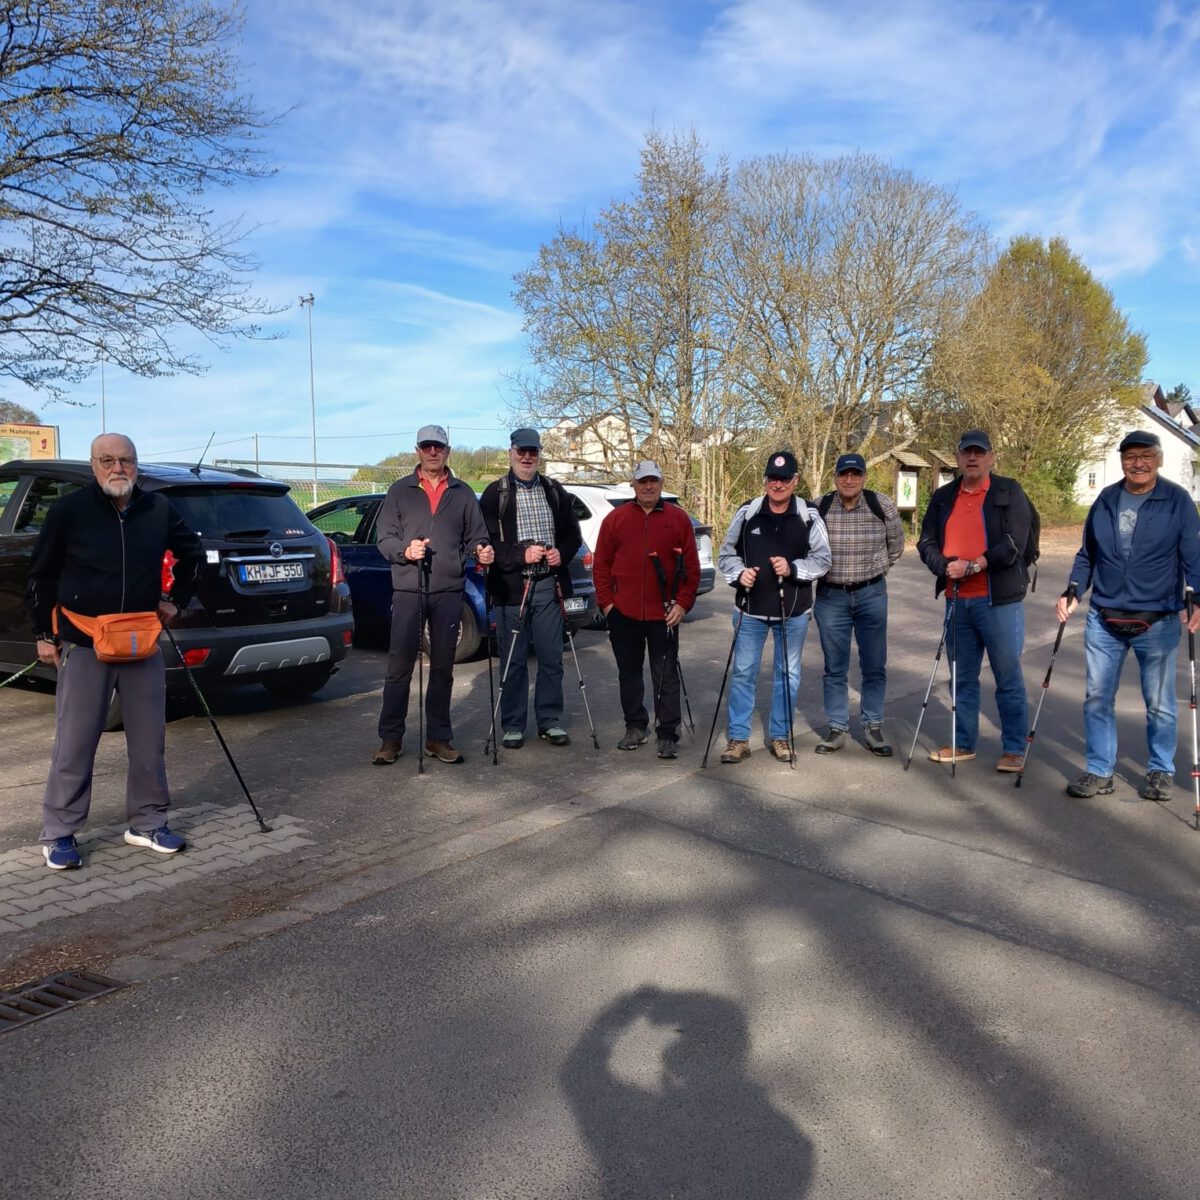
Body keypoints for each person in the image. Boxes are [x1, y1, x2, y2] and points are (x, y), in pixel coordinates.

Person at [26, 433, 203, 870]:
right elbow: (41, 574)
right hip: (85, 641)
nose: (118, 468)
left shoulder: (158, 509)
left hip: (141, 642)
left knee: (149, 741)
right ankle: (59, 832)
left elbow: (193, 554)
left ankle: (148, 822)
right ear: (93, 465)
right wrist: (44, 634)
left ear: (136, 464)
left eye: (126, 460)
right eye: (107, 460)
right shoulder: (69, 511)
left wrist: (175, 600)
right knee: (75, 742)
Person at [1057, 429, 1200, 800]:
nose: (1138, 463)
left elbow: (1193, 555)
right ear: (1122, 461)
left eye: (1145, 456)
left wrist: (1197, 597)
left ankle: (1160, 770)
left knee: (1160, 704)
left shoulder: (1177, 500)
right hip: (1104, 617)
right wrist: (1073, 590)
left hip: (1159, 619)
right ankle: (1099, 770)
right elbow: (1087, 554)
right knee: (1097, 698)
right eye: (1130, 457)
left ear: (1158, 459)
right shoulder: (1106, 499)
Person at [373, 424, 493, 766]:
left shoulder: (463, 492)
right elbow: (384, 539)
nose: (433, 452)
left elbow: (477, 536)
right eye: (427, 446)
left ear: (447, 451)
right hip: (409, 588)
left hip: (449, 590)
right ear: (418, 451)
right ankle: (390, 739)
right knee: (399, 666)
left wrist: (482, 550)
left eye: (438, 447)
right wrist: (405, 551)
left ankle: (438, 738)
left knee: (442, 667)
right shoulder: (400, 490)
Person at [916, 429, 1033, 771]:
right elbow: (926, 541)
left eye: (979, 452)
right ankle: (963, 742)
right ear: (957, 458)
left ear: (991, 458)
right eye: (966, 452)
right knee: (962, 678)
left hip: (999, 601)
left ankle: (1014, 749)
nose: (972, 458)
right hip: (956, 600)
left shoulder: (1009, 491)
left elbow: (1016, 542)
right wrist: (943, 565)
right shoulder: (944, 496)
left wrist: (977, 564)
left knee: (1007, 677)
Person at [715, 450, 832, 764]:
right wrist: (739, 574)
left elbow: (823, 560)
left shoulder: (809, 514)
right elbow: (726, 555)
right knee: (743, 674)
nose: (777, 484)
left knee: (787, 675)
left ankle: (781, 736)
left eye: (784, 479)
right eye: (772, 478)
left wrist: (793, 568)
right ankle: (738, 739)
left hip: (792, 612)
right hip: (749, 610)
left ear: (795, 480)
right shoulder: (748, 511)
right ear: (765, 480)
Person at [479, 427, 582, 748]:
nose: (527, 457)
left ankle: (549, 721)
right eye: (521, 451)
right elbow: (486, 543)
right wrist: (520, 555)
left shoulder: (554, 490)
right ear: (511, 453)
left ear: (539, 454)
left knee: (552, 658)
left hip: (548, 586)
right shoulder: (496, 493)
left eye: (532, 452)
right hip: (511, 588)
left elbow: (573, 535)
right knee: (514, 660)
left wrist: (560, 554)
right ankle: (513, 725)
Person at [593, 461, 700, 759]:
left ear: (662, 483)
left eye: (653, 480)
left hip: (664, 613)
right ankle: (635, 726)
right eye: (643, 481)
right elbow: (601, 565)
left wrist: (683, 604)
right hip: (623, 613)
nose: (648, 486)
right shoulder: (615, 519)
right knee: (629, 674)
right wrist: (608, 604)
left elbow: (691, 571)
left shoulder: (678, 519)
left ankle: (667, 733)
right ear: (634, 484)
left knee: (665, 675)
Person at [812, 453, 906, 756]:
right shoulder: (819, 507)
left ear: (864, 477)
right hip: (831, 597)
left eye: (855, 474)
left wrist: (876, 572)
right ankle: (837, 727)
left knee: (874, 664)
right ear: (835, 477)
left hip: (871, 594)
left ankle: (873, 725)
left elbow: (896, 546)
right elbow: (806, 548)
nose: (849, 480)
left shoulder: (881, 505)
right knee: (834, 667)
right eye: (844, 474)